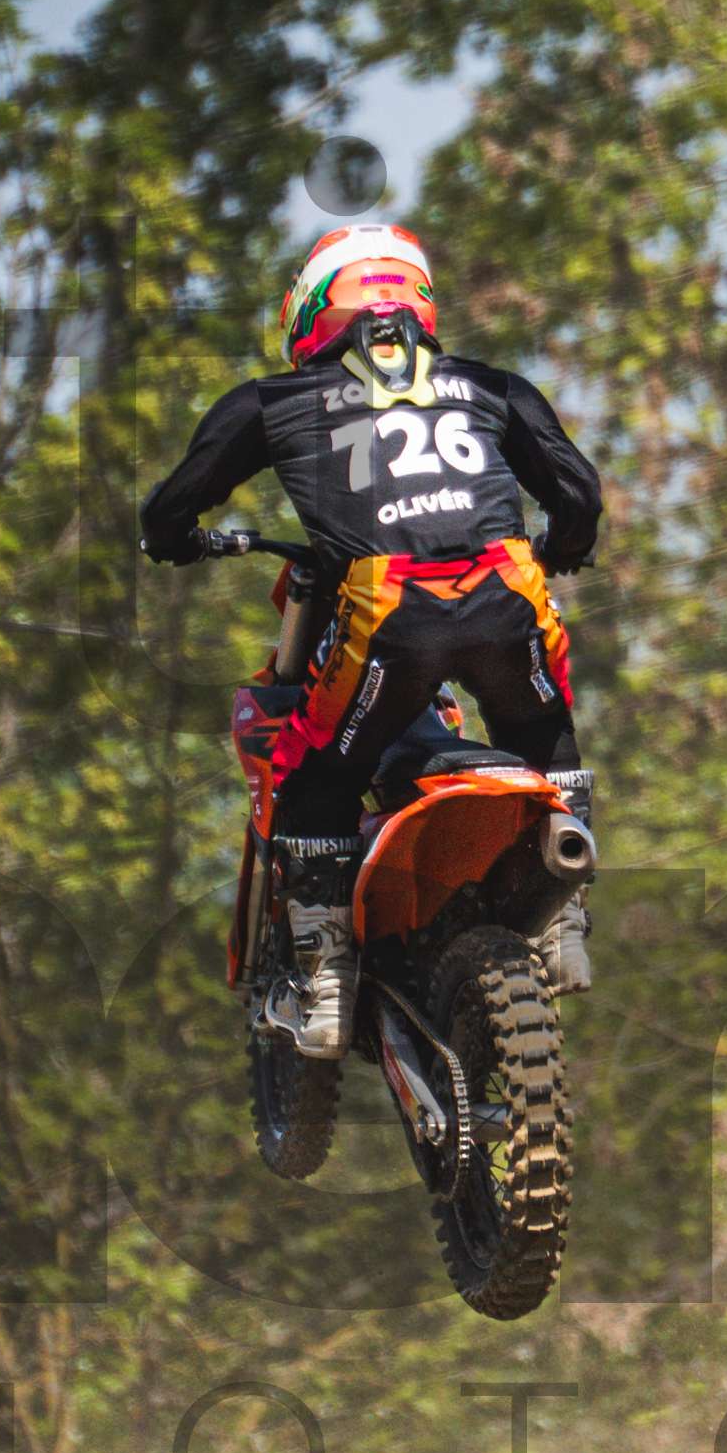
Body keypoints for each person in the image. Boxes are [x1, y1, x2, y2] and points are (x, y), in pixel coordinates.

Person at [139, 222, 602, 1054]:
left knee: (313, 777)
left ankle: (325, 978)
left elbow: (174, 503)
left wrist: (171, 537)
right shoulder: (491, 386)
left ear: (313, 309)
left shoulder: (274, 401)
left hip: (389, 614)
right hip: (508, 592)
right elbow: (578, 493)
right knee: (543, 732)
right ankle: (565, 916)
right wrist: (565, 546)